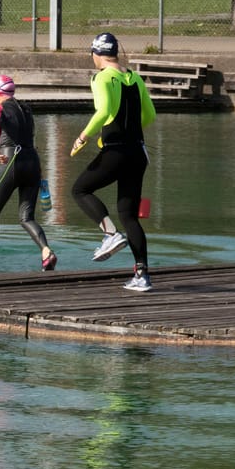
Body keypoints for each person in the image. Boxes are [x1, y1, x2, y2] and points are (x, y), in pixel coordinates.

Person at [70, 32, 157, 292]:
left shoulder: (101, 77)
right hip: (138, 153)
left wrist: (84, 136)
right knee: (130, 216)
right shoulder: (134, 77)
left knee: (80, 190)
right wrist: (130, 135)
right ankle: (142, 276)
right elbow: (150, 115)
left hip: (116, 151)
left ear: (96, 55)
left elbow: (105, 110)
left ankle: (110, 233)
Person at [0, 75, 56, 272]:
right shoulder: (26, 109)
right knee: (27, 217)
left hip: (11, 162)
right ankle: (46, 251)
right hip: (32, 162)